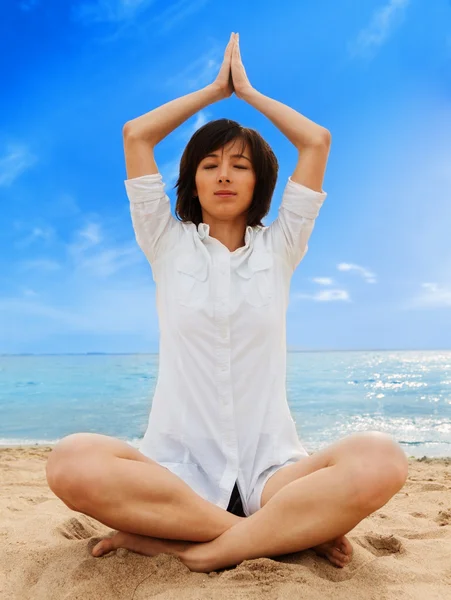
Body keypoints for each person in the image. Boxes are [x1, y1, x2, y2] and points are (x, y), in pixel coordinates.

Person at [45, 32, 409, 573]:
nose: (223, 175)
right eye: (209, 163)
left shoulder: (282, 245)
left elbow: (316, 142)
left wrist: (250, 94)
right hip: (176, 476)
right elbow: (136, 134)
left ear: (258, 179)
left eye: (239, 165)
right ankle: (268, 538)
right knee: (69, 461)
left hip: (273, 475)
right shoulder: (165, 242)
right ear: (191, 177)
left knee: (384, 458)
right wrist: (215, 92)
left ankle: (191, 547)